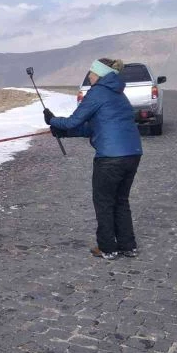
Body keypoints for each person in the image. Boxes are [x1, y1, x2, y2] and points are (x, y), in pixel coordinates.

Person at [45, 58, 143, 260]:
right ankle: (128, 245)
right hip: (132, 153)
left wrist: (52, 120)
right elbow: (92, 127)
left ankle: (107, 248)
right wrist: (63, 133)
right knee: (121, 201)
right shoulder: (118, 94)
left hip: (110, 157)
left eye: (92, 72)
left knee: (104, 202)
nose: (89, 76)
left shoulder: (97, 93)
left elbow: (73, 120)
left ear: (100, 74)